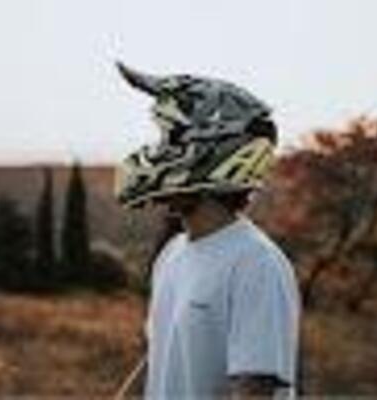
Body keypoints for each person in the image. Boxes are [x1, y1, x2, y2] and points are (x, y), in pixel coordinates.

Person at [115, 62, 300, 399]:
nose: (157, 155)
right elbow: (158, 361)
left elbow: (253, 391)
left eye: (172, 141)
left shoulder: (256, 264)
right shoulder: (172, 254)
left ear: (212, 152)